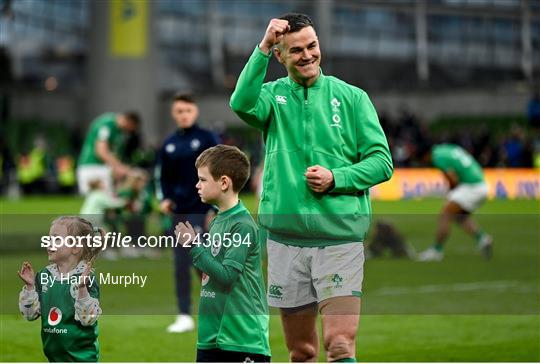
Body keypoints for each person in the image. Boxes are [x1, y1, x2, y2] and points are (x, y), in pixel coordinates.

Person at [230, 13, 393, 362]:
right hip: (285, 243)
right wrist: (262, 46)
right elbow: (240, 103)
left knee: (340, 344)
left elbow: (382, 162)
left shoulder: (352, 98)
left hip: (339, 239)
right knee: (301, 351)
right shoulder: (271, 98)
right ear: (280, 55)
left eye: (313, 46)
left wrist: (337, 178)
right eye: (296, 50)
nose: (307, 55)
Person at [175, 145, 270, 362]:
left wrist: (194, 246)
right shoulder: (218, 220)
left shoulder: (242, 225)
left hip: (241, 338)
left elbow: (227, 276)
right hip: (212, 335)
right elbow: (211, 274)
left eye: (203, 179)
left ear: (224, 182)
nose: (197, 185)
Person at [155, 93, 220, 333]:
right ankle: (184, 315)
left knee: (203, 262)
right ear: (174, 114)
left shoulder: (207, 139)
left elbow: (219, 172)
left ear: (195, 112)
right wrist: (164, 199)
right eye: (179, 111)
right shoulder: (169, 143)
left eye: (188, 111)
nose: (184, 115)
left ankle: (216, 309)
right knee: (181, 264)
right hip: (179, 212)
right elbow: (161, 176)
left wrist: (214, 207)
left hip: (200, 210)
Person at [18, 216, 103, 362]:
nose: (49, 243)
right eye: (48, 239)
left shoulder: (85, 279)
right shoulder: (44, 276)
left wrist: (82, 289)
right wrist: (30, 287)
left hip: (82, 359)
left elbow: (88, 319)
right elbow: (30, 315)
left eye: (56, 239)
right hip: (54, 359)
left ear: (75, 247)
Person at [418, 143, 493, 261]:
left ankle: (436, 251)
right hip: (481, 183)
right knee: (460, 217)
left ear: (426, 155)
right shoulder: (446, 149)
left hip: (471, 186)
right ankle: (483, 239)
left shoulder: (437, 157)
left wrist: (450, 193)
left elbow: (452, 178)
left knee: (445, 215)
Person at [77, 111, 140, 195]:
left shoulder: (119, 132)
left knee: (107, 202)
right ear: (129, 121)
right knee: (96, 201)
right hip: (92, 166)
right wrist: (119, 167)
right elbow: (101, 151)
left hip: (103, 168)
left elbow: (113, 153)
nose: (130, 131)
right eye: (131, 127)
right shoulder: (107, 124)